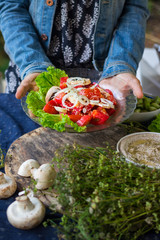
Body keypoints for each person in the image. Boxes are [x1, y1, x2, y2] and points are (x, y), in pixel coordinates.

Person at [0, 0, 149, 100]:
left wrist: (121, 64)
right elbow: (11, 5)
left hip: (105, 78)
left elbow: (134, 9)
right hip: (34, 77)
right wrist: (32, 63)